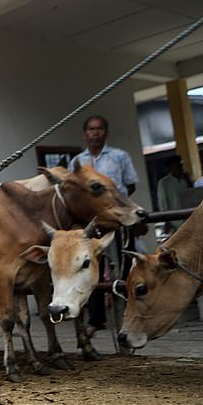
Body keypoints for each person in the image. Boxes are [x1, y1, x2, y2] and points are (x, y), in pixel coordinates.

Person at [72, 115, 140, 338]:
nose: (95, 133)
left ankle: (129, 316)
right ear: (85, 133)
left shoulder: (120, 156)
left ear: (105, 133)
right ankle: (97, 319)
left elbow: (130, 184)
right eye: (91, 129)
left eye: (100, 129)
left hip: (118, 219)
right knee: (93, 269)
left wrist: (115, 208)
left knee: (125, 266)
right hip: (92, 224)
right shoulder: (78, 162)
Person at [155, 154, 192, 242]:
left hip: (189, 219)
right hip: (175, 222)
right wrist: (167, 220)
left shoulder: (186, 179)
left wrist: (188, 180)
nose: (180, 168)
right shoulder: (164, 183)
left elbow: (194, 194)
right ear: (171, 168)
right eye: (177, 166)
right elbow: (163, 203)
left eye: (180, 165)